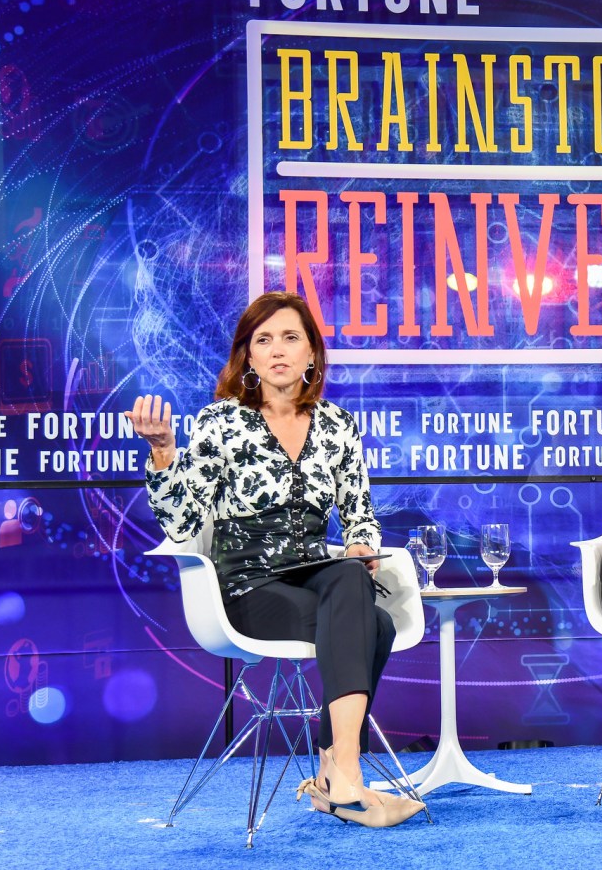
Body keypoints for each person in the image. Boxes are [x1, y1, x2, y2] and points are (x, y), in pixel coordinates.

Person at [127, 291, 423, 828]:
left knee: (353, 581)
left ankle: (341, 773)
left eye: (291, 338)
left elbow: (359, 513)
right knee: (372, 624)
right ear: (249, 357)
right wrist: (164, 452)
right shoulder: (222, 423)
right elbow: (183, 525)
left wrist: (360, 542)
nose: (278, 350)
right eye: (264, 340)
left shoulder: (337, 425)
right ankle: (340, 776)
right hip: (247, 585)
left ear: (312, 354)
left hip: (315, 573)